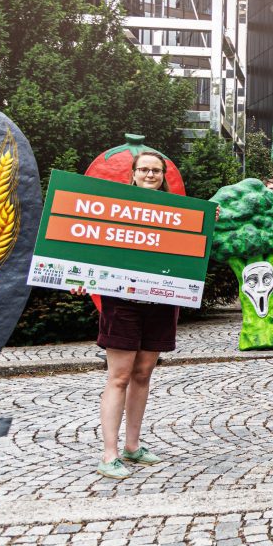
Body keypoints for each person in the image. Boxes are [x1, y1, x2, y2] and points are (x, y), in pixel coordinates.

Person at [76, 151, 179, 479]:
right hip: (122, 303)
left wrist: (209, 219)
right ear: (132, 174)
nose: (150, 175)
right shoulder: (114, 208)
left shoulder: (176, 212)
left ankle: (133, 446)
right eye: (144, 170)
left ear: (163, 176)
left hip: (160, 302)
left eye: (156, 170)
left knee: (143, 373)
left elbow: (190, 248)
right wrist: (80, 276)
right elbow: (89, 243)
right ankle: (110, 453)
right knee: (119, 376)